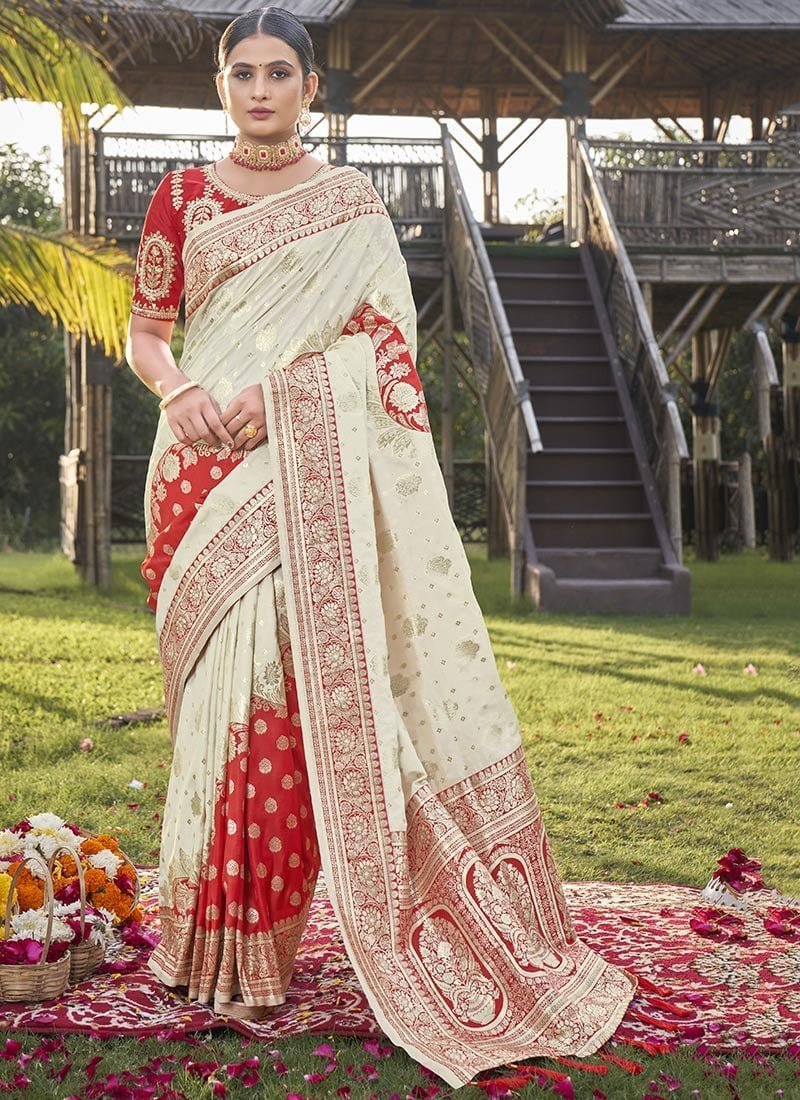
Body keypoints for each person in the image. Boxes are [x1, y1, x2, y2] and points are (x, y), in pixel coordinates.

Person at [125, 6, 636, 1088]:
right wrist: (182, 388)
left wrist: (285, 392)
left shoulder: (352, 205)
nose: (259, 91)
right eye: (241, 73)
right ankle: (198, 940)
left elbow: (388, 353)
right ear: (220, 84)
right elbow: (148, 332)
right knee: (214, 717)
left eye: (279, 73)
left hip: (302, 468)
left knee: (280, 709)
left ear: (310, 87)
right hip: (198, 472)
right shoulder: (181, 196)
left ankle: (257, 954)